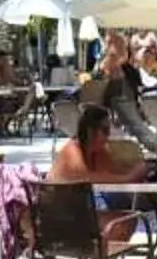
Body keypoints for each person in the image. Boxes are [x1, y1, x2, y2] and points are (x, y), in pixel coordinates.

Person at [49, 102, 151, 243]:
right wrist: (130, 176)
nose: (108, 136)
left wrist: (137, 167)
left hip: (78, 216)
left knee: (128, 221)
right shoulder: (72, 150)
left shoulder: (98, 152)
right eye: (105, 130)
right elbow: (87, 177)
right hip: (58, 220)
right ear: (91, 131)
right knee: (121, 224)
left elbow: (113, 173)